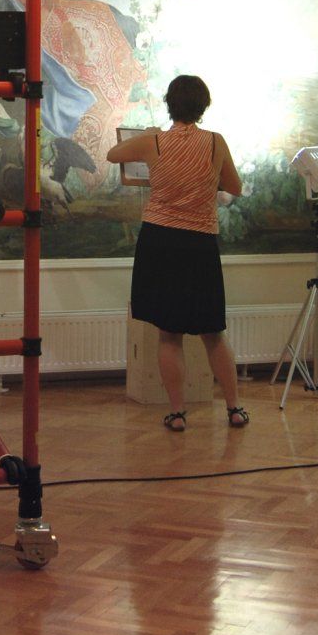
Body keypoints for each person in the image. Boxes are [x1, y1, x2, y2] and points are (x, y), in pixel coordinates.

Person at [107, 75, 248, 432]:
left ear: (170, 104)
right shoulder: (215, 143)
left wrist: (146, 135)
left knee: (169, 333)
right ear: (204, 106)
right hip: (199, 243)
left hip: (160, 241)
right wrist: (202, 182)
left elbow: (113, 155)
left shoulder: (154, 141)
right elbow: (234, 187)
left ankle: (177, 413)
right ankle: (234, 408)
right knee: (212, 332)